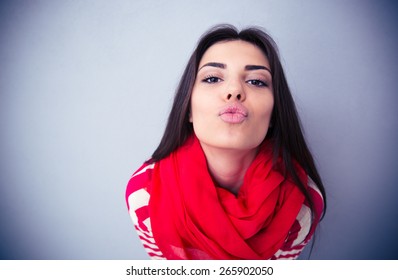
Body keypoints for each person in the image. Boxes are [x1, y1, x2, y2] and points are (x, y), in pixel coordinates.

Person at [125, 24, 326, 260]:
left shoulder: (302, 204)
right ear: (188, 109)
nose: (234, 90)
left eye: (256, 81)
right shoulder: (144, 194)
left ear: (274, 114)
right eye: (212, 78)